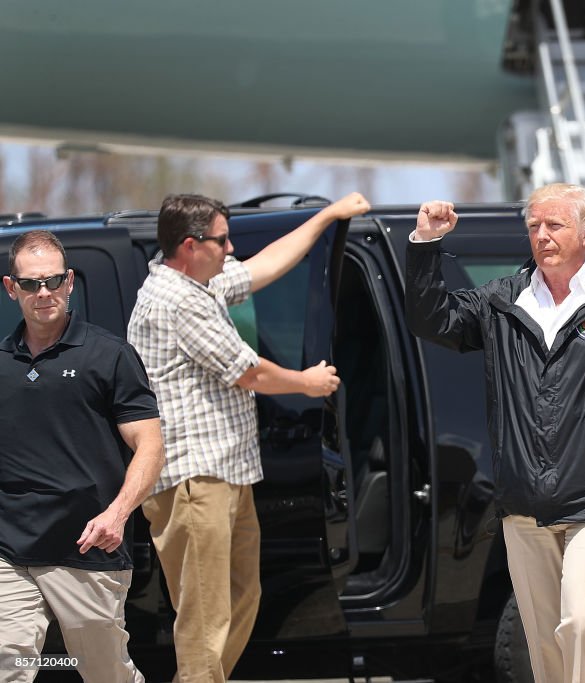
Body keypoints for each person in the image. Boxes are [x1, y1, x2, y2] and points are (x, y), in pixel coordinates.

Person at [405, 184, 585, 683]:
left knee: (583, 623)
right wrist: (425, 245)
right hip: (525, 503)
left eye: (555, 225)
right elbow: (432, 319)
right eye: (534, 227)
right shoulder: (501, 301)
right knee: (544, 640)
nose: (542, 236)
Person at [127, 192, 368, 683]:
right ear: (192, 246)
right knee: (205, 618)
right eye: (222, 239)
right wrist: (307, 382)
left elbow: (264, 267)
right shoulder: (175, 300)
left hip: (225, 473)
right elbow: (248, 373)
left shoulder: (201, 284)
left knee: (240, 599)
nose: (231, 247)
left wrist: (324, 218)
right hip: (195, 481)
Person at [0, 230, 165, 683]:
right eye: (31, 284)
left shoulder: (109, 355)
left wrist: (118, 513)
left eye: (53, 281)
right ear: (11, 288)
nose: (44, 293)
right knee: (7, 665)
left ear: (70, 282)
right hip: (9, 551)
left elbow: (150, 445)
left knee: (104, 672)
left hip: (88, 546)